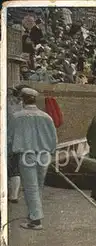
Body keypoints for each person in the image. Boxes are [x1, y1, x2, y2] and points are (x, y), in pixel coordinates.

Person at [8, 88, 57, 230]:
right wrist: (51, 152)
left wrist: (10, 152)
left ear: (22, 100)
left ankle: (35, 221)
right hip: (44, 155)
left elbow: (10, 138)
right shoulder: (46, 117)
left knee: (30, 188)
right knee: (38, 186)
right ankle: (34, 214)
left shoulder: (17, 117)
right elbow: (53, 139)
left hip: (27, 155)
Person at [6, 84, 31, 203]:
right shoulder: (27, 108)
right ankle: (13, 196)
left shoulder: (10, 104)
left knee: (10, 168)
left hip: (8, 140)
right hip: (20, 141)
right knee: (15, 170)